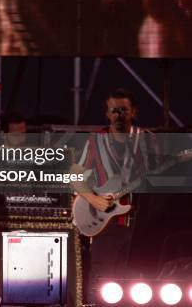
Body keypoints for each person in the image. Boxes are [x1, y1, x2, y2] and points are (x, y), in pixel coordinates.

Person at [70, 89, 160, 300]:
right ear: (107, 114)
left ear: (133, 112)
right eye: (114, 110)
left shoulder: (146, 140)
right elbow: (74, 177)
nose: (119, 115)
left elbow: (159, 177)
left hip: (141, 226)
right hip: (107, 226)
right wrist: (95, 200)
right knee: (102, 282)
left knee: (137, 285)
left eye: (124, 110)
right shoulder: (95, 141)